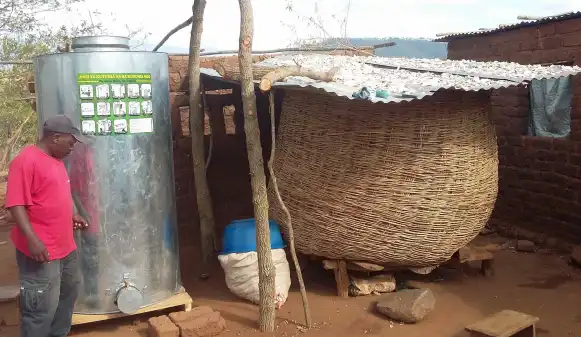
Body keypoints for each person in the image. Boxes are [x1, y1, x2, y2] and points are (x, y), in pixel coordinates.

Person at [4, 115, 89, 337]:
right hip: (42, 251)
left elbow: (61, 192)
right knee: (40, 309)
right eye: (71, 142)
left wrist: (73, 213)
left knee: (66, 299)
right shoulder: (25, 161)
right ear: (55, 137)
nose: (72, 148)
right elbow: (16, 205)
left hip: (65, 247)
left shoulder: (57, 160)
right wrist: (33, 240)